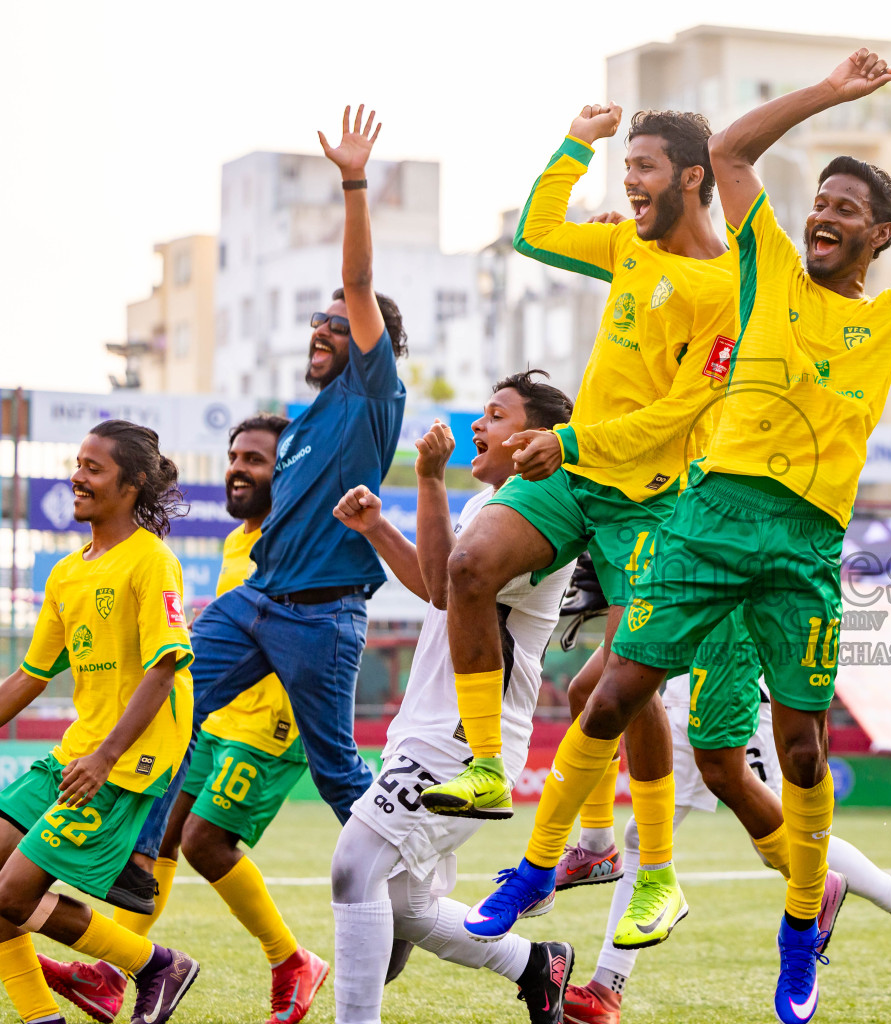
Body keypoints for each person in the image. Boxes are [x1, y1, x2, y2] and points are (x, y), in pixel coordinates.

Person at [468, 52, 891, 1024]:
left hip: (802, 550)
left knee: (790, 754)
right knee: (613, 694)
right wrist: (832, 93)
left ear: (881, 235)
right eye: (820, 202)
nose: (824, 215)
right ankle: (542, 873)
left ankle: (800, 931)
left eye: (847, 209)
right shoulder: (761, 270)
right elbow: (728, 150)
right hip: (708, 523)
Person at [422, 103, 740, 882]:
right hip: (576, 474)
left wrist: (565, 441)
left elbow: (678, 416)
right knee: (468, 566)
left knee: (625, 683)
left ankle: (652, 869)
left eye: (643, 167)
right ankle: (487, 768)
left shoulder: (728, 287)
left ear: (691, 177)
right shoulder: (628, 245)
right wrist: (576, 143)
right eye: (625, 166)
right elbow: (536, 234)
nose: (628, 181)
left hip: (652, 502)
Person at [131, 105, 408, 863]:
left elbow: (359, 280)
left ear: (371, 342)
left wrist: (353, 182)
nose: (323, 327)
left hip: (321, 617)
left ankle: (406, 878)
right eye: (318, 319)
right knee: (170, 692)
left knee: (337, 771)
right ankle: (139, 859)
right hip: (258, 600)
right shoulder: (305, 422)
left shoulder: (371, 397)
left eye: (339, 322)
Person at [38, 414, 329, 1023]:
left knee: (203, 841)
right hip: (210, 719)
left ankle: (290, 959)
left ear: (290, 471)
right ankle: (113, 971)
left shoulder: (305, 540)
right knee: (166, 833)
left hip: (270, 726)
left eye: (255, 459)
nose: (238, 469)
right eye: (234, 457)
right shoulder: (236, 541)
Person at [557, 621, 891, 1023]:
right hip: (684, 685)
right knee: (643, 836)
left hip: (739, 686)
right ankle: (606, 991)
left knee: (782, 839)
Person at [329, 373, 577, 1024]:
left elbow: (445, 586)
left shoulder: (542, 508)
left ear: (537, 439)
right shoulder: (493, 505)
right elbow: (438, 586)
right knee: (404, 902)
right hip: (431, 728)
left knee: (355, 866)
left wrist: (430, 479)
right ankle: (535, 965)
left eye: (495, 415)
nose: (477, 425)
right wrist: (378, 529)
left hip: (466, 740)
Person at [0, 421, 199, 1024]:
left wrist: (106, 757)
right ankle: (44, 1017)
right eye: (77, 465)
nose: (77, 478)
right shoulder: (66, 573)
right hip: (77, 751)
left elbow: (164, 668)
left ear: (131, 484)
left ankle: (157, 965)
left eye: (93, 468)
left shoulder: (152, 561)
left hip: (127, 758)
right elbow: (30, 676)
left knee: (10, 893)